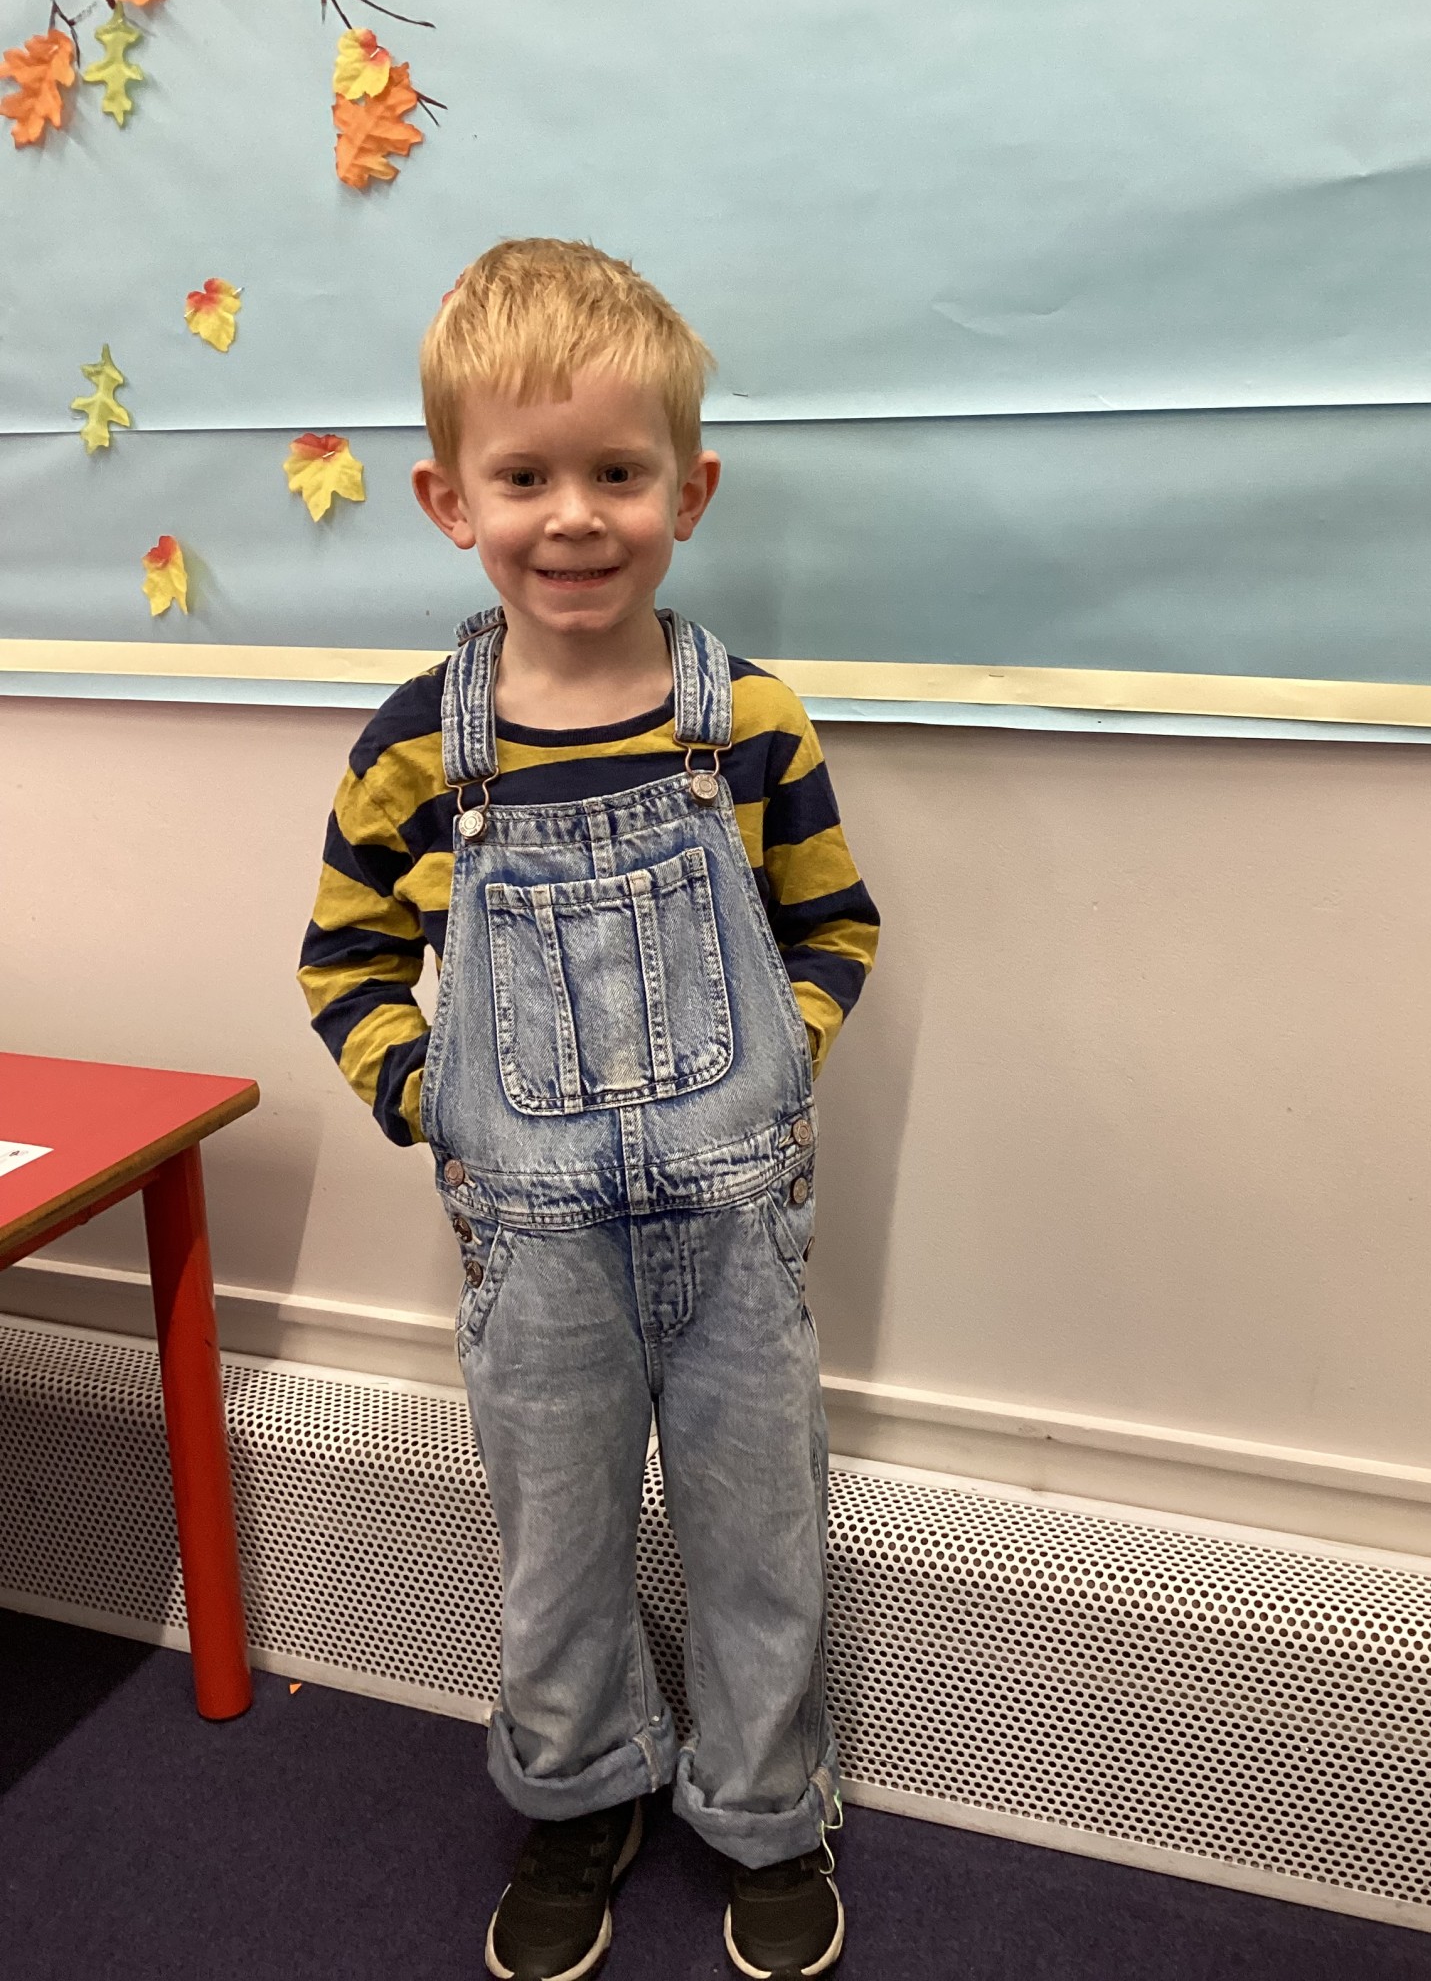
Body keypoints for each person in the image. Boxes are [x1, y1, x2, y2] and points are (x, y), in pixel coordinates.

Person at [298, 237, 880, 1980]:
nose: (573, 517)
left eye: (618, 475)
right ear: (443, 495)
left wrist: (783, 1061)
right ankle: (576, 1797)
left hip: (735, 1237)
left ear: (688, 493)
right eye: (525, 476)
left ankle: (768, 1813)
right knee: (554, 1547)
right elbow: (344, 963)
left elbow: (836, 923)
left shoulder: (745, 722)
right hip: (531, 1254)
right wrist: (438, 1109)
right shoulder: (421, 748)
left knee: (760, 1531)